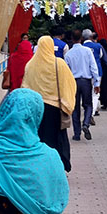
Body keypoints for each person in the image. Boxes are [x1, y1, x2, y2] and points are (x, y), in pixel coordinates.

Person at [22, 36, 77, 171]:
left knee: (40, 138)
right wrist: (67, 103)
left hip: (36, 109)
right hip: (55, 108)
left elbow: (25, 86)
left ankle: (41, 167)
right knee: (57, 138)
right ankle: (59, 166)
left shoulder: (30, 65)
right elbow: (69, 83)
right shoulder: (59, 64)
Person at [64, 29, 100, 141]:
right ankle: (86, 123)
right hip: (86, 81)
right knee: (88, 105)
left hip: (74, 82)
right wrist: (97, 82)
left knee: (75, 108)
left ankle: (77, 134)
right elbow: (93, 67)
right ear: (81, 39)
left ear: (71, 39)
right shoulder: (88, 51)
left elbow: (66, 71)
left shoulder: (68, 54)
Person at [83, 30, 107, 120]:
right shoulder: (98, 46)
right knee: (95, 93)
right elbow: (104, 58)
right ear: (91, 37)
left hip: (85, 73)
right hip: (97, 72)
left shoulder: (81, 47)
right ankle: (92, 113)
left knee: (86, 93)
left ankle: (88, 110)